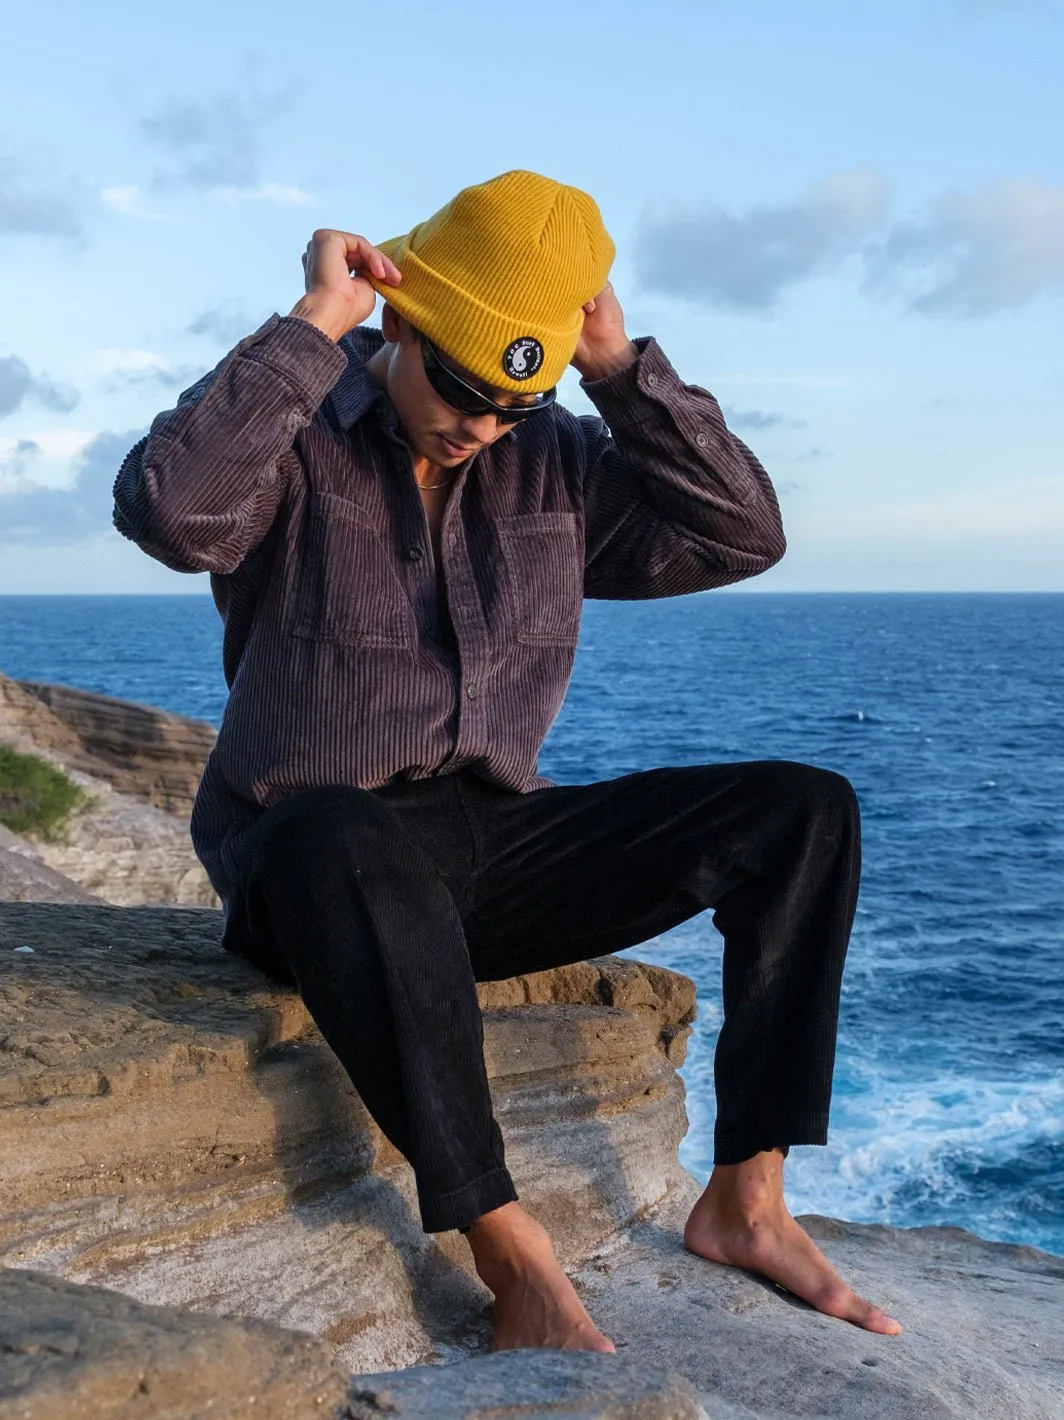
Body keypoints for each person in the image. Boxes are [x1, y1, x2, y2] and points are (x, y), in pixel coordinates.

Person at [113, 169, 901, 1350]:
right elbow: (172, 514)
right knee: (346, 833)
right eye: (464, 386)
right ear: (399, 323)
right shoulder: (297, 437)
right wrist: (306, 330)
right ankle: (504, 1243)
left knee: (803, 810)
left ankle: (746, 1197)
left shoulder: (557, 466)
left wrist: (620, 374)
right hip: (309, 860)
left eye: (512, 404)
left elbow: (741, 533)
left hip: (485, 845)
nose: (482, 422)